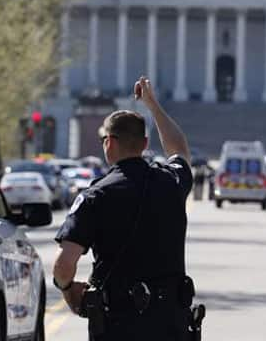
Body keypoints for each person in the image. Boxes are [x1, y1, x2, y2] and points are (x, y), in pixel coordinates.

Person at [53, 76, 194, 341]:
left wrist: (68, 290)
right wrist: (152, 106)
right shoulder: (172, 182)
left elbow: (64, 264)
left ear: (109, 143)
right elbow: (180, 150)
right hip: (170, 323)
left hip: (117, 322)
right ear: (144, 145)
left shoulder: (96, 195)